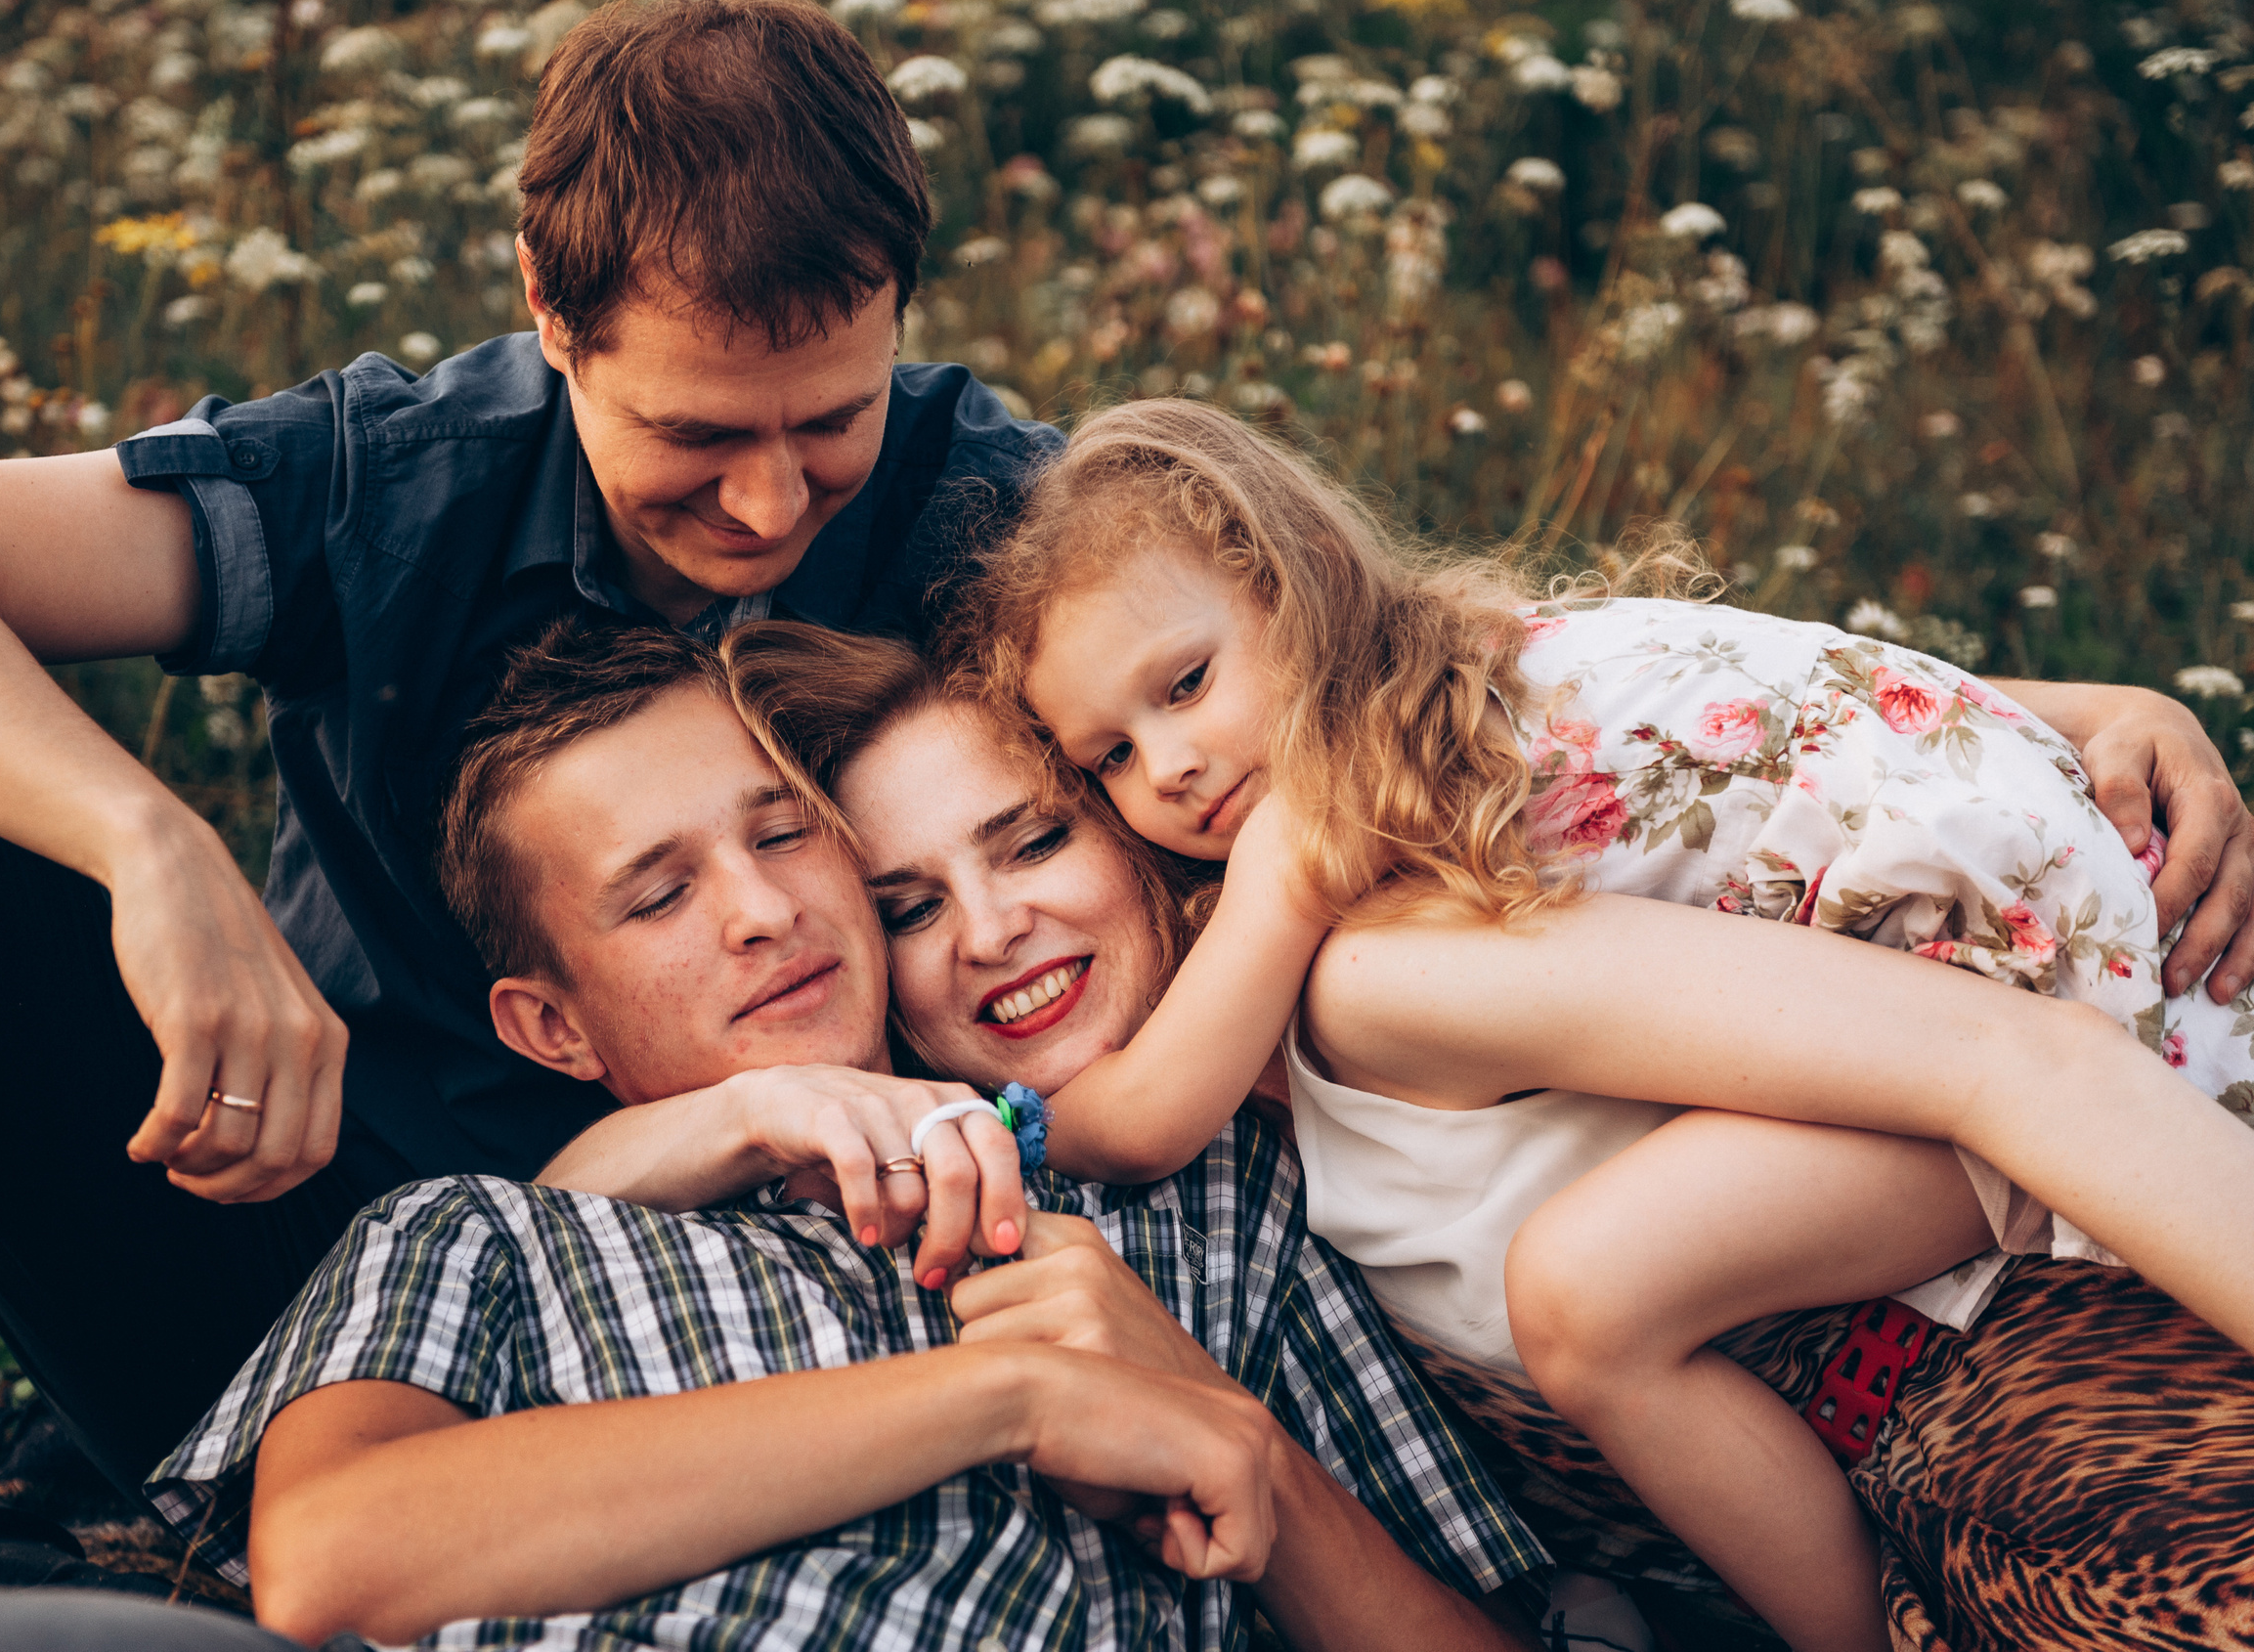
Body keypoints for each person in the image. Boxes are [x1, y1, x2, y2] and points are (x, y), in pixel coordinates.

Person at [0, 0, 1059, 1586]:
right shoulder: (393, 483)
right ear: (548, 313)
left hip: (871, 1261)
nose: (772, 499)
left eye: (835, 420)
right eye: (696, 431)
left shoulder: (995, 505)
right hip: (327, 1292)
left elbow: (1288, 732)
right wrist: (151, 846)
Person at [617, 618, 2254, 1652]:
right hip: (1921, 1543)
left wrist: (2100, 717)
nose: (988, 931)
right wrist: (754, 1105)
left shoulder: (1380, 975)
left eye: (1035, 835)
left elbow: (1997, 1049)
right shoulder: (1145, 1156)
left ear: (1140, 820)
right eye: (906, 908)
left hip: (2081, 1412)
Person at [945, 399, 2254, 1652]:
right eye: (1107, 756)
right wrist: (2113, 712)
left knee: (1586, 1295)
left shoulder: (1314, 826)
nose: (1164, 767)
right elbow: (1845, 689)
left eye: (1184, 683)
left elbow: (1155, 1113)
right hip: (2028, 875)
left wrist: (975, 1113)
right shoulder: (1494, 650)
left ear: (1296, 595)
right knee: (1595, 1294)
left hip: (2012, 970)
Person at [130, 619, 1547, 1652]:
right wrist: (1011, 1404)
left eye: (784, 834)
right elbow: (329, 1557)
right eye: (658, 895)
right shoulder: (481, 1232)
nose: (761, 910)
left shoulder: (1196, 1200)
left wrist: (1232, 1440)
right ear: (552, 1029)